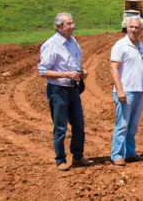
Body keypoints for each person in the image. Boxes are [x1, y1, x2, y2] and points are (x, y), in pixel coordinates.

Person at [38, 12, 94, 171]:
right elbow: (43, 71)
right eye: (68, 24)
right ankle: (60, 159)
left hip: (73, 89)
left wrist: (81, 72)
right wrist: (66, 74)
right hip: (58, 90)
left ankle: (77, 156)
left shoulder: (73, 42)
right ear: (58, 26)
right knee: (60, 126)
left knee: (79, 125)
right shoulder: (51, 45)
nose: (72, 26)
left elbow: (73, 63)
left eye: (72, 23)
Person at [110, 16, 143, 166]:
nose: (133, 29)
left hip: (138, 91)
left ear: (142, 29)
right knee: (122, 124)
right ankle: (117, 154)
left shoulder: (142, 47)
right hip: (125, 92)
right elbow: (114, 68)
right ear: (127, 28)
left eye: (136, 27)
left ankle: (130, 152)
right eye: (131, 27)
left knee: (133, 125)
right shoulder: (120, 45)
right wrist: (120, 90)